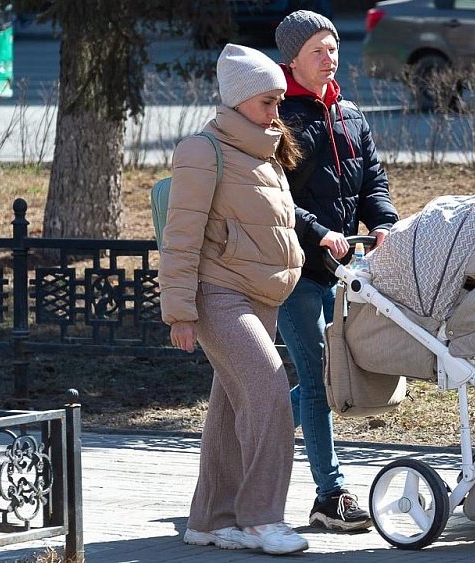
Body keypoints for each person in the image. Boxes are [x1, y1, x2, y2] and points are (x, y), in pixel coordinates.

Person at [159, 43, 309, 555]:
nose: (276, 112)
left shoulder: (264, 151)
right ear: (239, 100)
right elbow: (181, 237)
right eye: (267, 102)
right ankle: (261, 519)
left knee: (228, 408)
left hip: (260, 298)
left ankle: (209, 520)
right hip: (218, 297)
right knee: (269, 391)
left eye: (278, 101)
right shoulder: (204, 151)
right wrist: (180, 312)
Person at [273, 10, 399, 531]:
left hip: (349, 268)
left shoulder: (349, 112)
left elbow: (373, 178)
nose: (330, 61)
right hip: (298, 268)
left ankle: (252, 425)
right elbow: (273, 196)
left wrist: (384, 220)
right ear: (292, 60)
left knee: (335, 376)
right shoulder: (276, 116)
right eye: (318, 53)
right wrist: (316, 231)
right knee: (322, 375)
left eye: (334, 51)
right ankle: (331, 494)